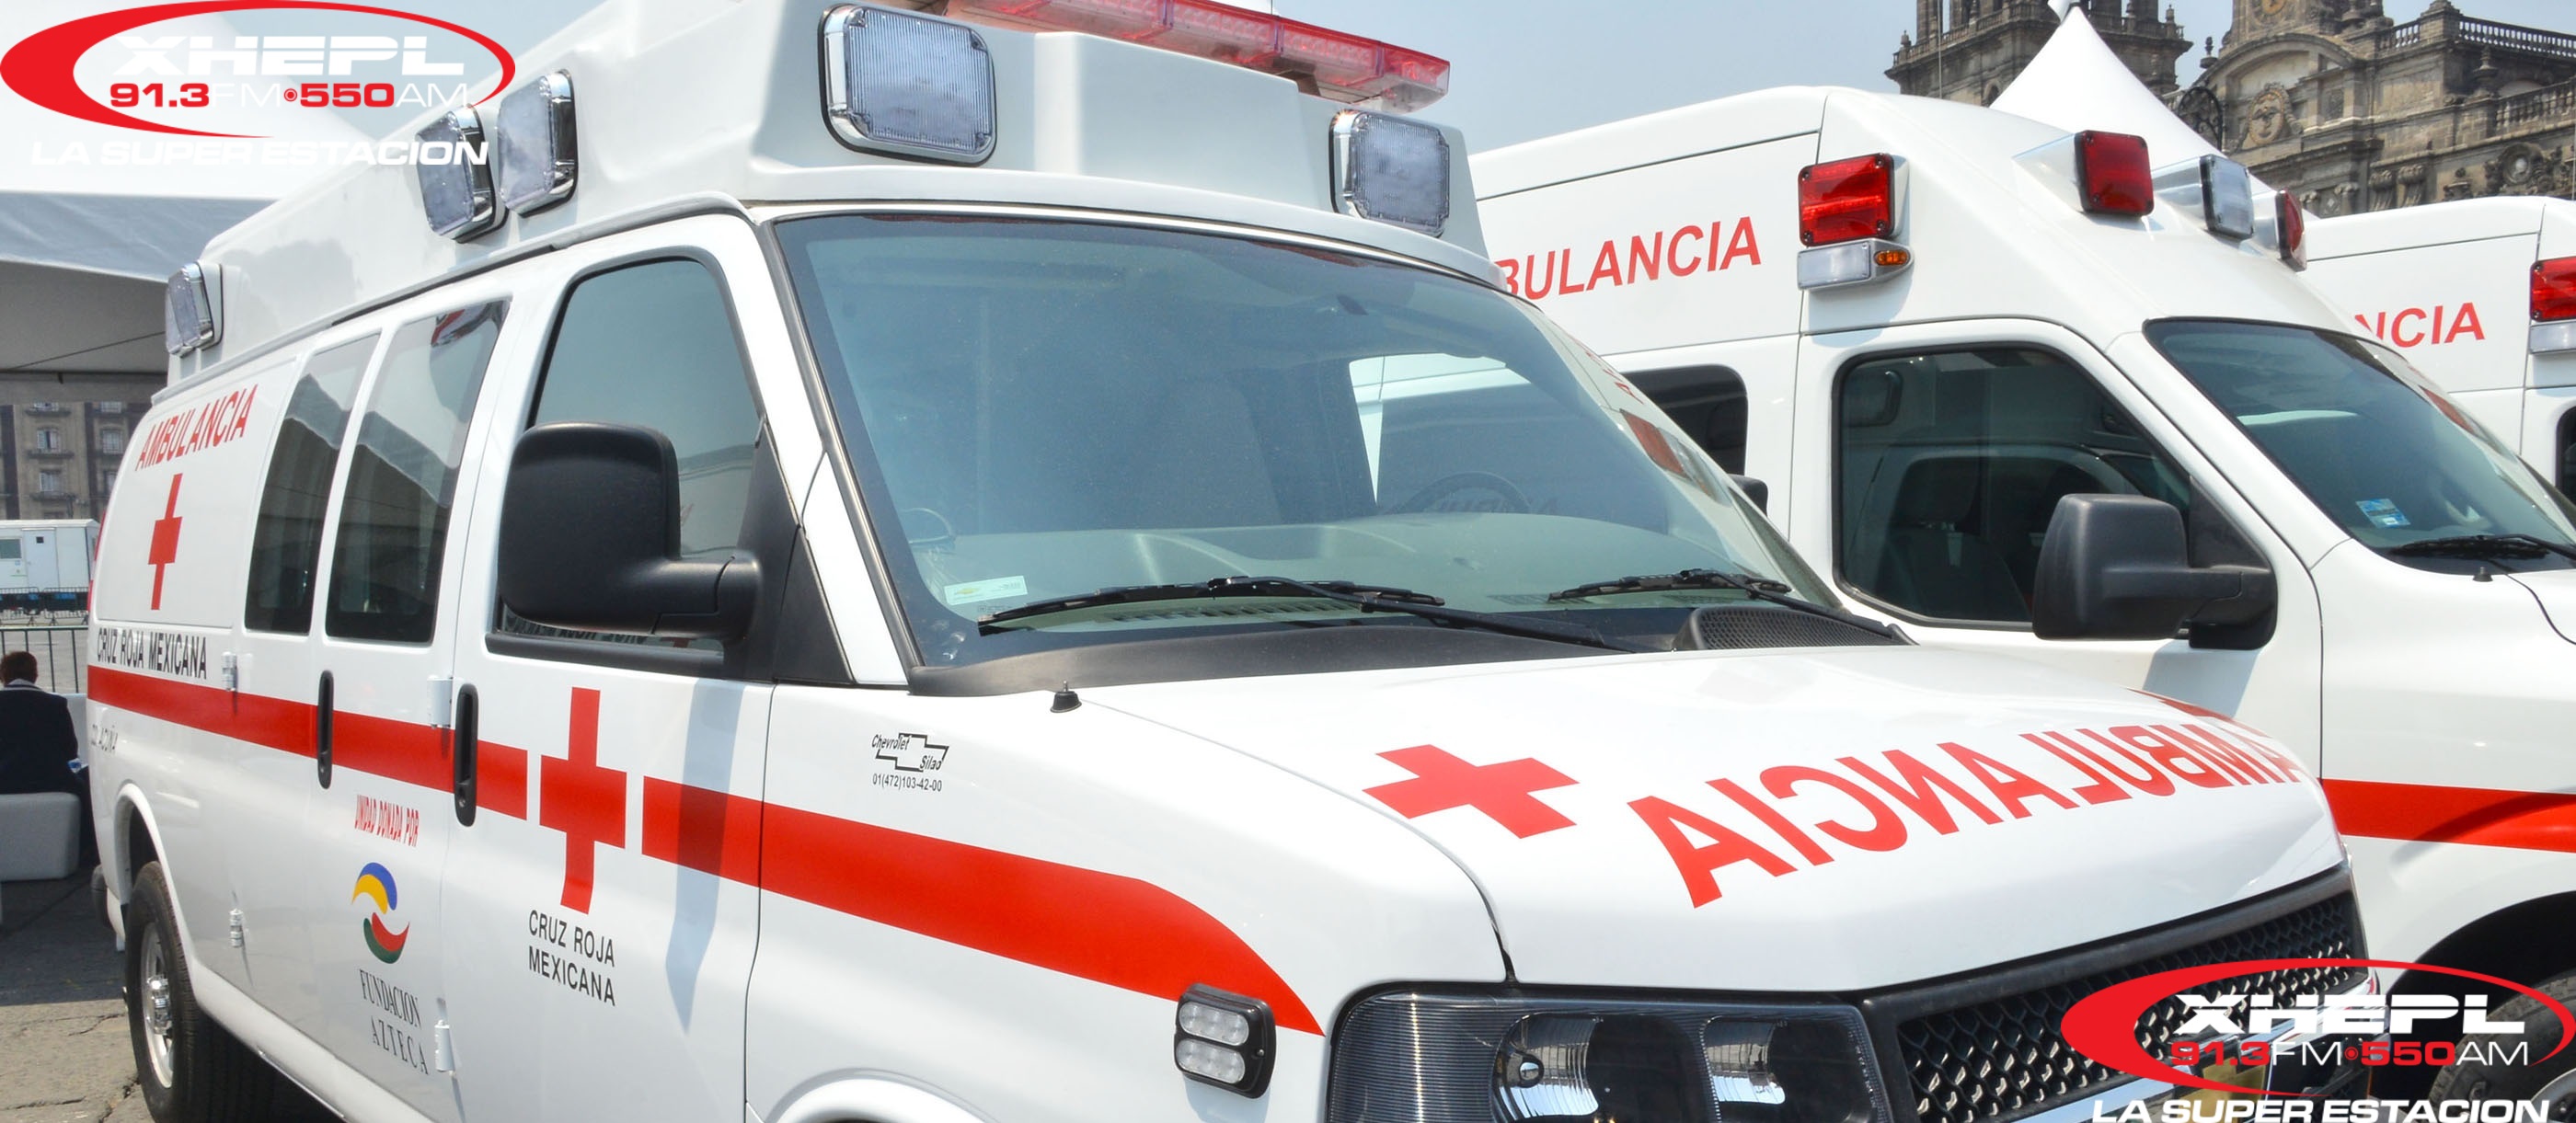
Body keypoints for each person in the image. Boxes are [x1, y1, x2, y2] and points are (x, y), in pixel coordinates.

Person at [0, 652, 86, 854]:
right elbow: (70, 751)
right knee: (87, 784)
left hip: (4, 780)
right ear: (35, 674)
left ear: (3, 675)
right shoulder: (55, 704)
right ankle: (86, 853)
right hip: (50, 780)